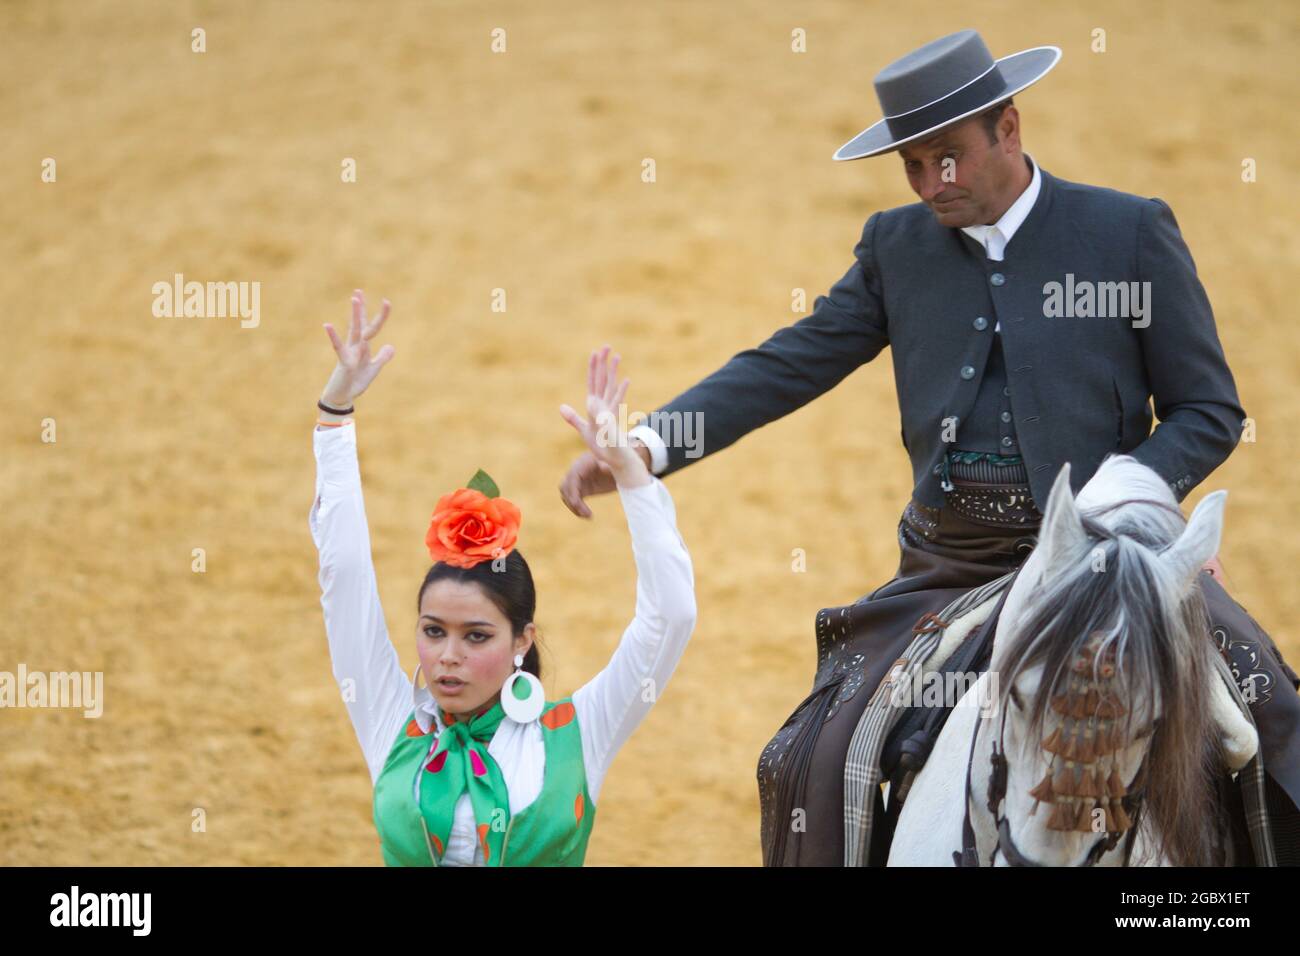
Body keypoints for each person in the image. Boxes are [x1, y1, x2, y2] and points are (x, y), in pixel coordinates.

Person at [557, 29, 1300, 865]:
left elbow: (1209, 409)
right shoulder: (895, 248)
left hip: (1115, 563)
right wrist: (651, 446)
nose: (929, 183)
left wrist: (1125, 494)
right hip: (952, 568)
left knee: (1273, 718)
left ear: (1009, 130)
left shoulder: (1128, 232)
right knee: (813, 762)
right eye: (912, 164)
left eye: (947, 158)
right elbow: (791, 361)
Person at [311, 292, 697, 865]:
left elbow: (672, 615)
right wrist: (334, 416)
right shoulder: (391, 718)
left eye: (476, 636)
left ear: (522, 640)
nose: (447, 656)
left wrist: (628, 471)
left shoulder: (579, 732)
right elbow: (344, 577)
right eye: (433, 631)